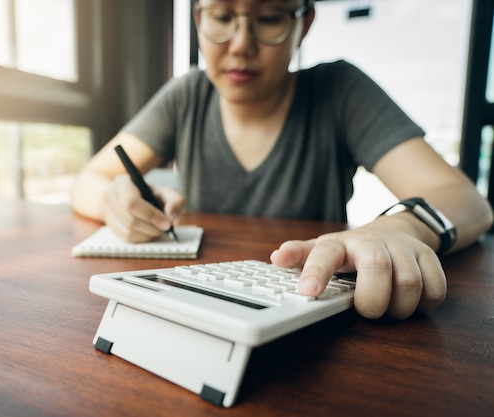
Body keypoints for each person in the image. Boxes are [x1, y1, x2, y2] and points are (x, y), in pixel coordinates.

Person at [72, 0, 493, 320]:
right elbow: (92, 179)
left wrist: (397, 228)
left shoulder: (339, 91)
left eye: (269, 18)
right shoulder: (187, 95)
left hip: (308, 305)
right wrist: (117, 197)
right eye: (221, 17)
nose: (240, 45)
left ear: (302, 24)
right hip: (203, 302)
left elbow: (465, 200)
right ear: (199, 19)